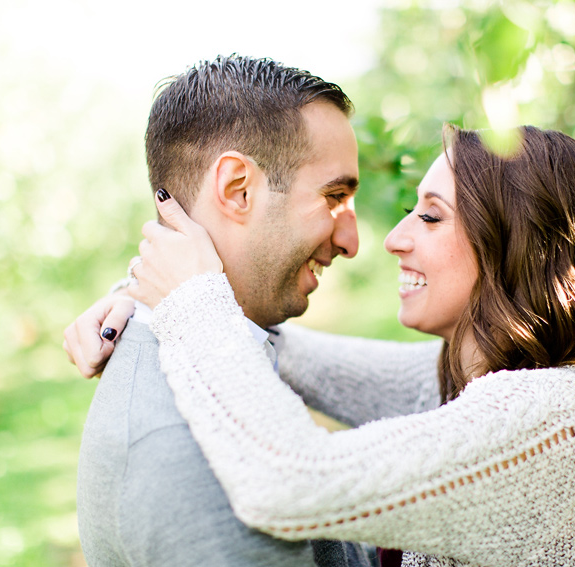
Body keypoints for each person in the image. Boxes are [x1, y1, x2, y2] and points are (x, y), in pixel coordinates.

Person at [64, 58, 575, 566]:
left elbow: (293, 479)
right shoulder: (476, 376)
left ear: (511, 248)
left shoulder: (551, 414)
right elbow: (292, 356)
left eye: (430, 216)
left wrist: (190, 300)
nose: (390, 236)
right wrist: (154, 295)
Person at [71, 55, 380, 567]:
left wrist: (145, 292)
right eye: (333, 196)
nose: (351, 240)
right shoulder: (186, 457)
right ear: (238, 189)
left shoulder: (223, 357)